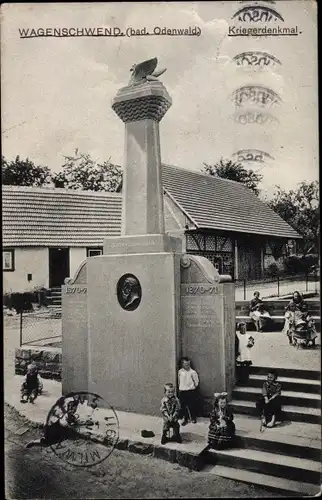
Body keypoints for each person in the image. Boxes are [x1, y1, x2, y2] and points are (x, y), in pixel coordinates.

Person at [178, 357, 199, 425]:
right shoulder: (180, 371)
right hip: (182, 391)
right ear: (182, 365)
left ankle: (193, 418)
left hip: (190, 391)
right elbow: (179, 380)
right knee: (183, 406)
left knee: (191, 405)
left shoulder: (192, 372)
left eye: (188, 364)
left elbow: (196, 381)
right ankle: (185, 418)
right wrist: (180, 388)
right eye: (185, 364)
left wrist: (193, 387)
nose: (187, 366)